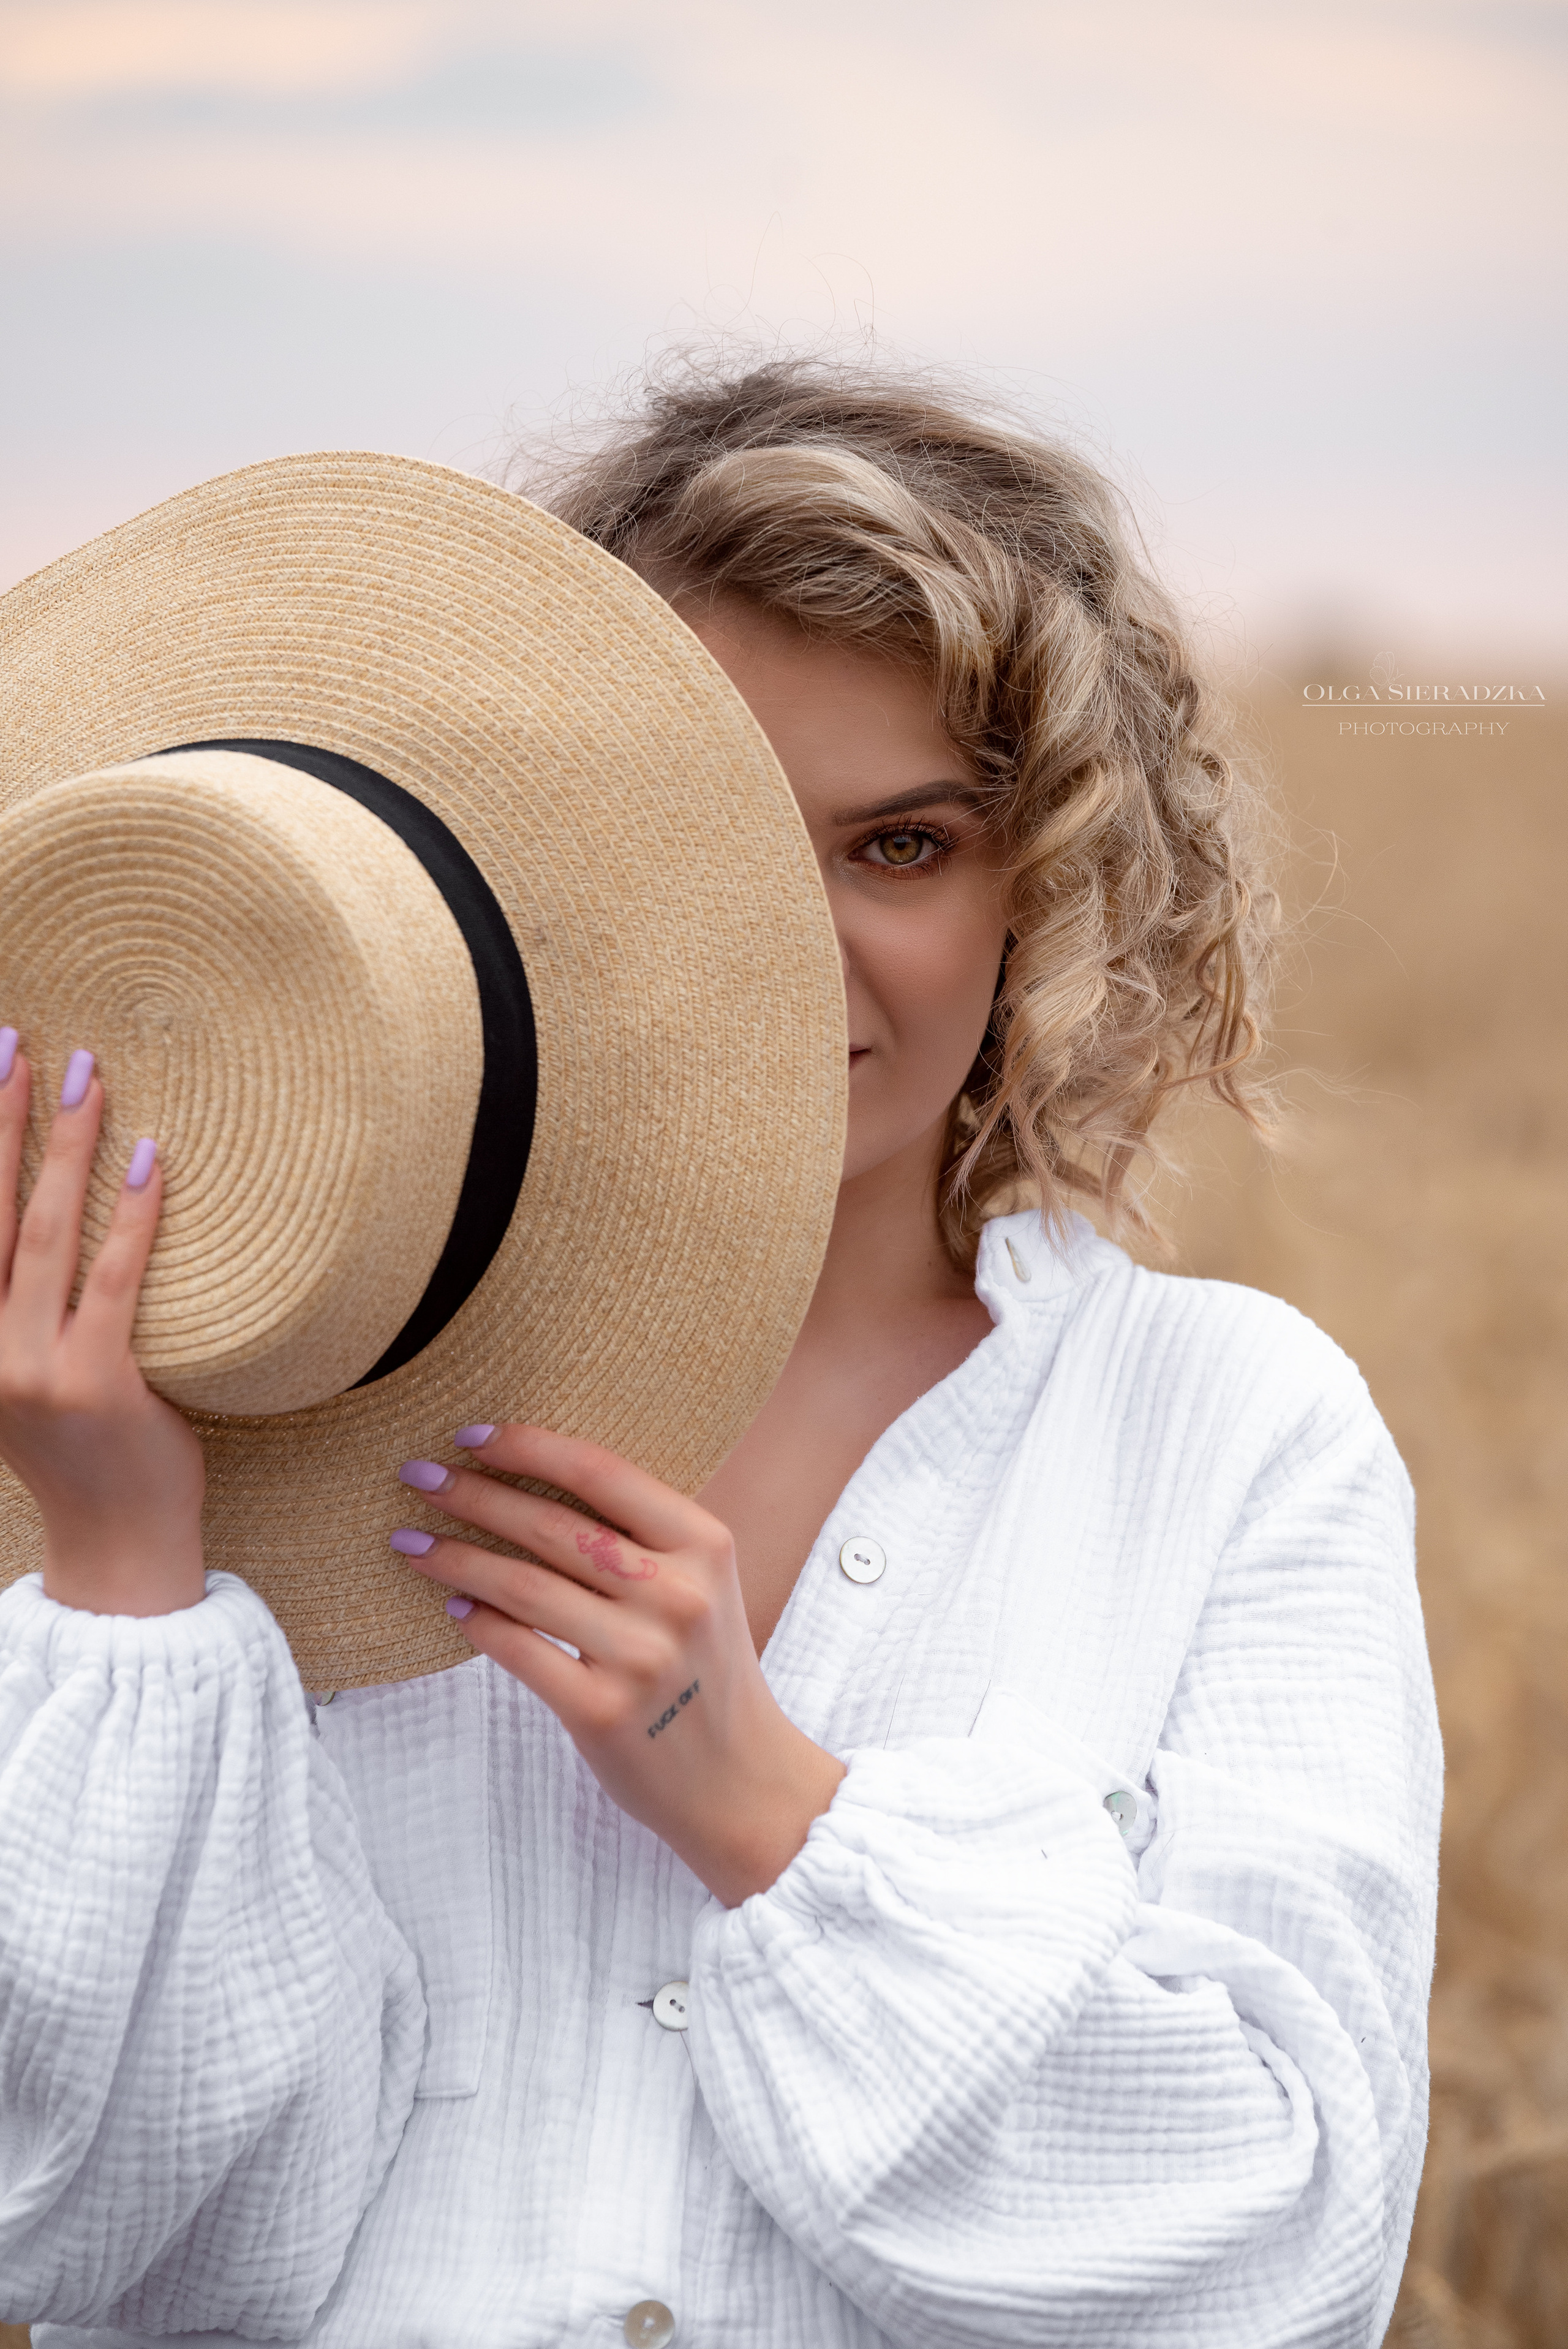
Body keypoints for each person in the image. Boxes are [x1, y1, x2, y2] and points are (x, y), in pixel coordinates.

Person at [0, 360, 1440, 2348]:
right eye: (716, 833)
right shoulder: (263, 1406)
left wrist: (761, 1802)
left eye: (902, 847)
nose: (795, 944)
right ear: (524, 858)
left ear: (1042, 881)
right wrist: (129, 1584)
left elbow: (1287, 2249)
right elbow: (105, 2254)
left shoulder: (1231, 1433)